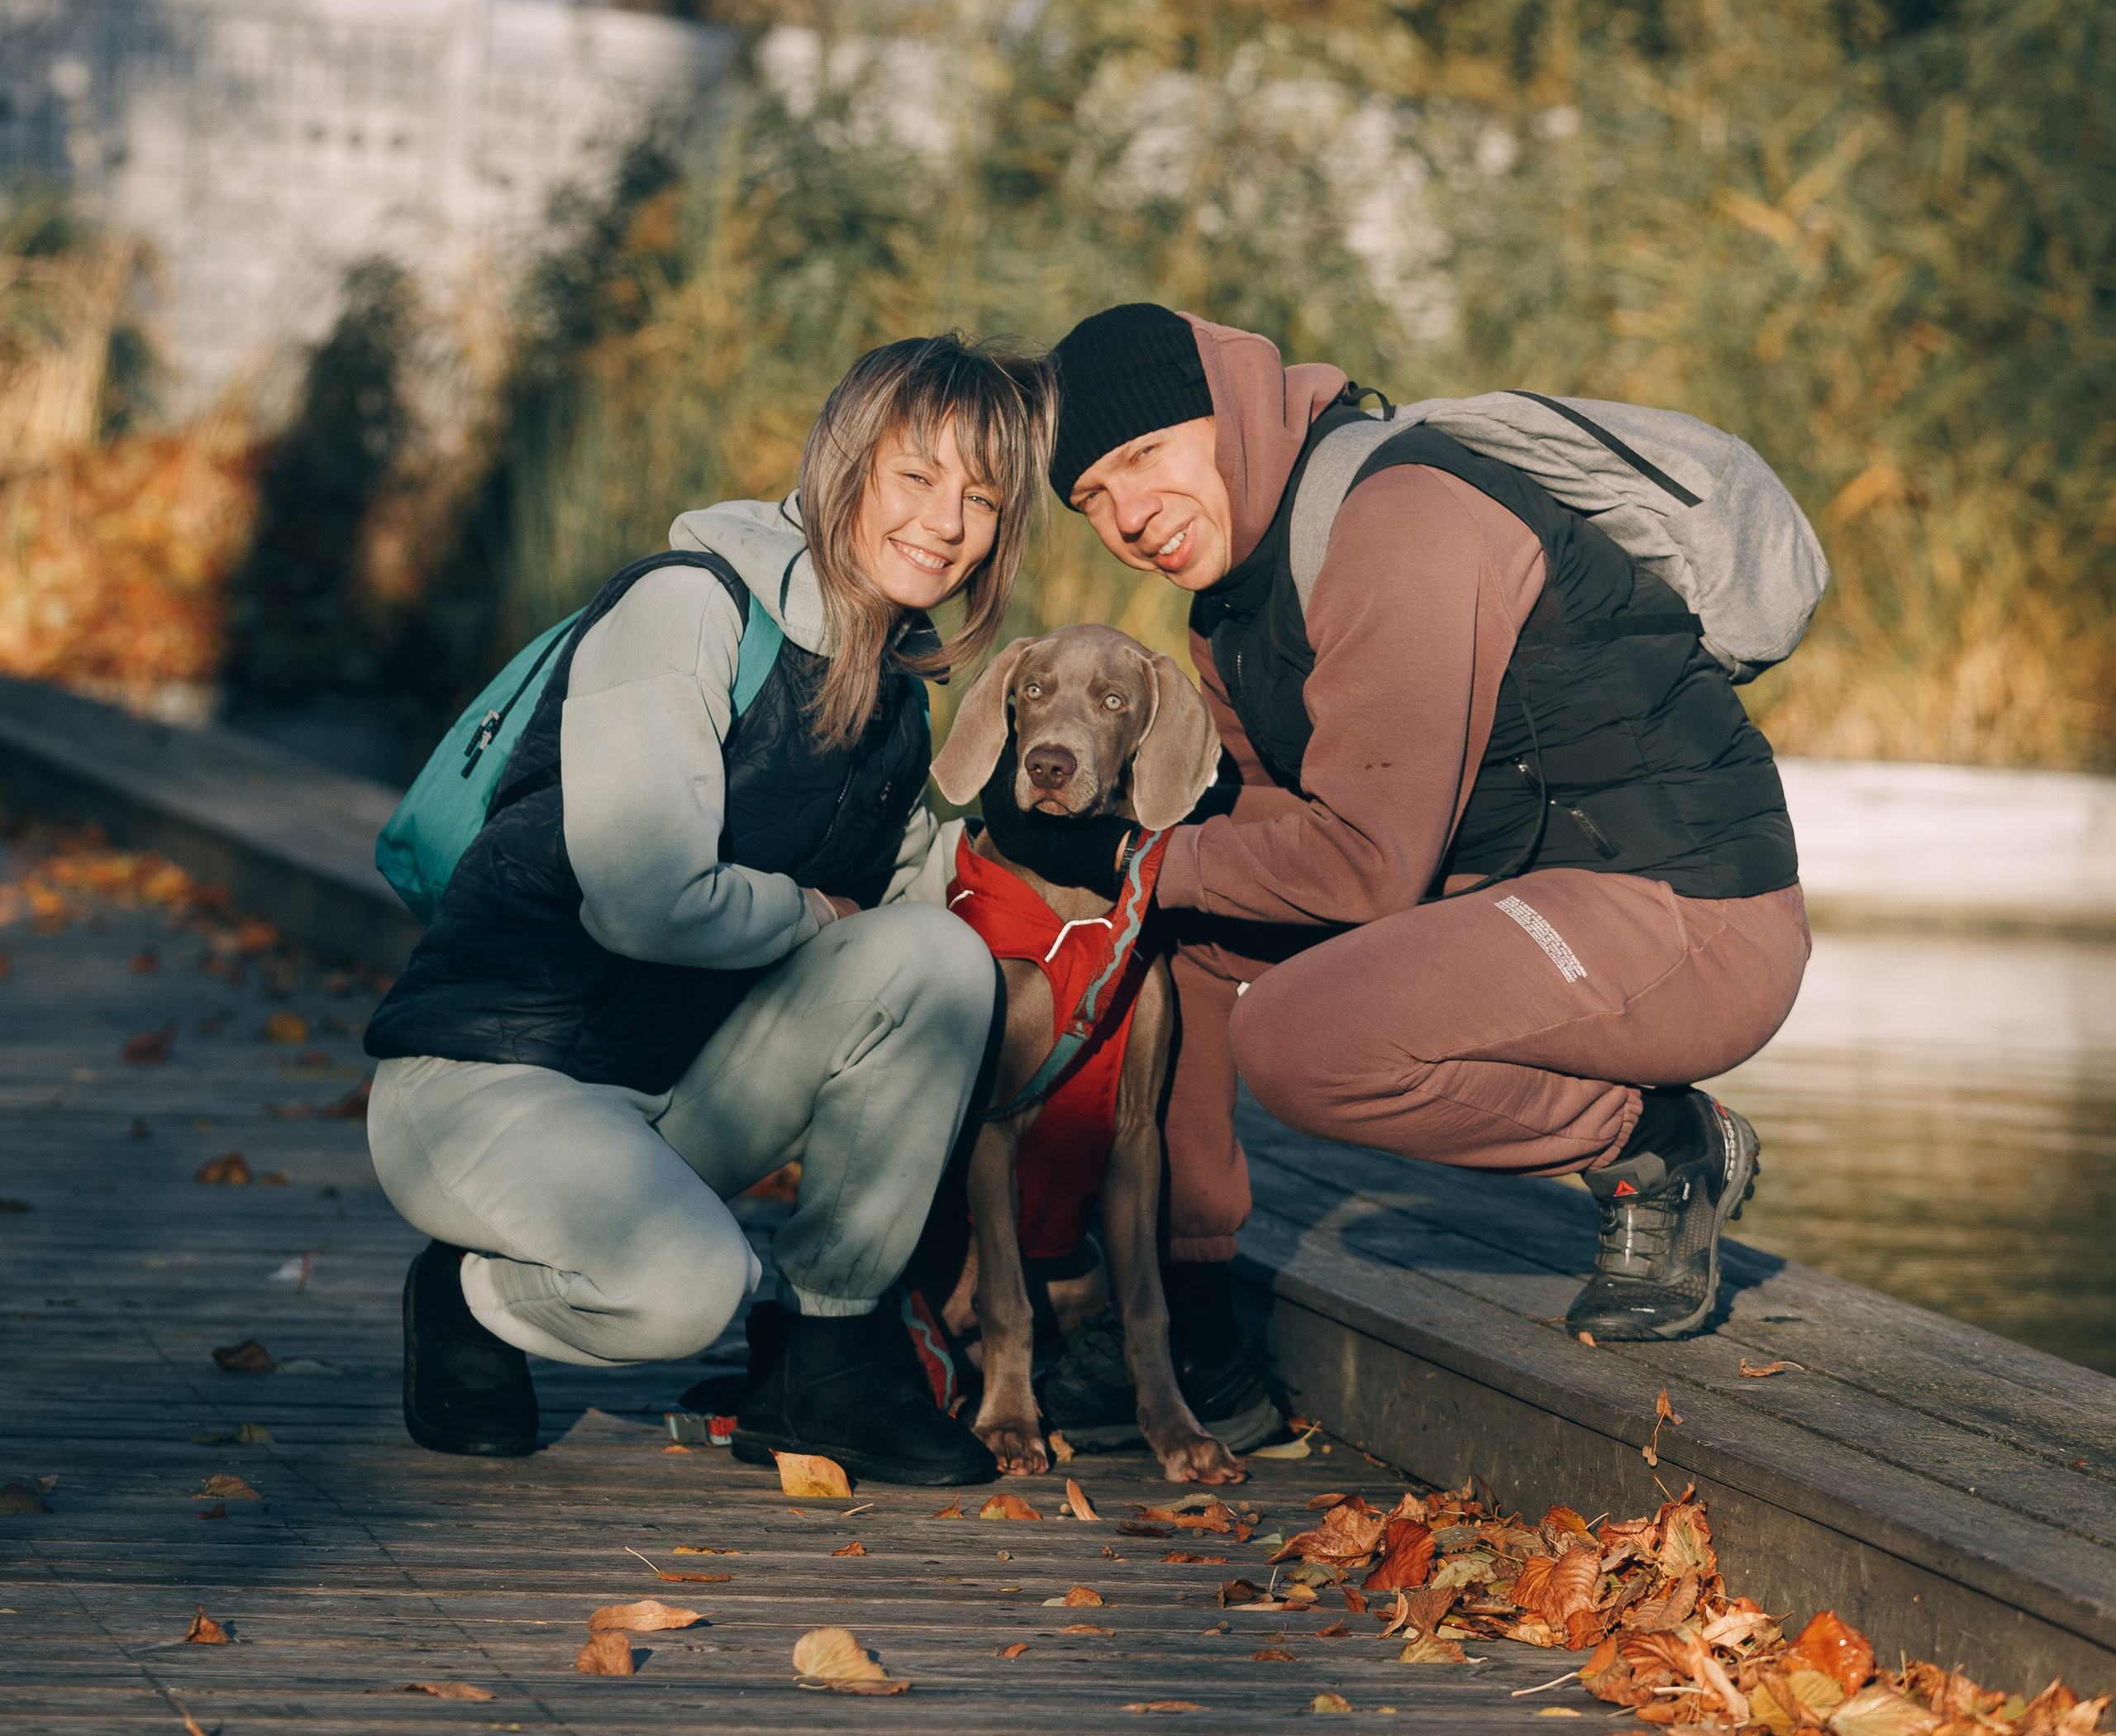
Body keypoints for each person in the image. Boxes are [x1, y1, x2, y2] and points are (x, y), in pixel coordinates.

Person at [1037, 300, 1810, 1434]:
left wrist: (1128, 856)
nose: (1129, 514)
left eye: (1147, 455)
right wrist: (1135, 877)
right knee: (1185, 939)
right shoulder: (1233, 610)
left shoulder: (1398, 519)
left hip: (1693, 914)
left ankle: (1658, 1144)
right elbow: (1268, 829)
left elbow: (1359, 871)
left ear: (1232, 411)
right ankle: (1193, 1335)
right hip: (1524, 900)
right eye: (1092, 497)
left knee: (1302, 1037)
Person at [364, 335, 1051, 1484]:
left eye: (982, 498)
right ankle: (471, 1294)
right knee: (686, 1288)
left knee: (937, 963)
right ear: (845, 465)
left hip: (663, 1098)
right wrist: (814, 921)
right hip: (488, 1078)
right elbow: (643, 901)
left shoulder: (894, 698)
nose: (948, 521)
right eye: (918, 476)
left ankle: (829, 1360)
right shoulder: (690, 607)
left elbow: (911, 951)